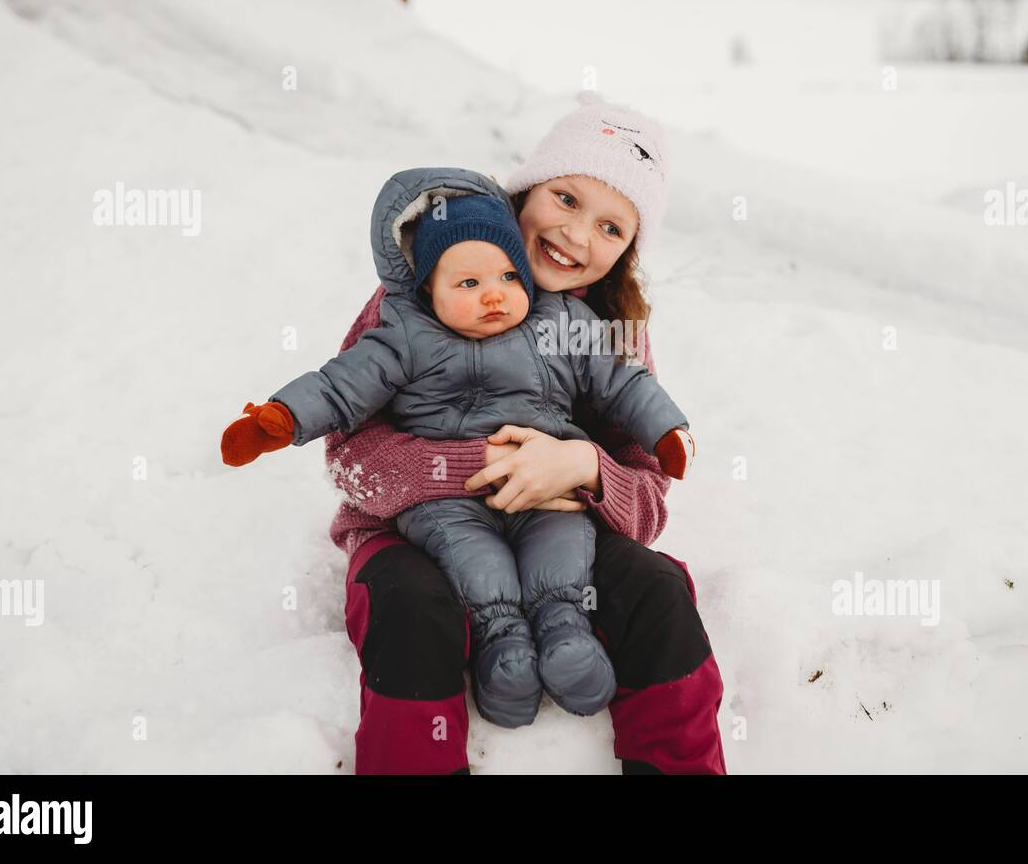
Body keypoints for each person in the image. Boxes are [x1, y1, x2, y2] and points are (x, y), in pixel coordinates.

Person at [327, 91, 727, 773]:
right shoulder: (430, 284)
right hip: (417, 538)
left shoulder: (613, 327)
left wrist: (583, 468)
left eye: (611, 227)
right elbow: (350, 456)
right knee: (411, 610)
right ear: (525, 187)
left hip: (559, 551)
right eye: (566, 199)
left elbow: (651, 495)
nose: (577, 235)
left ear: (630, 249)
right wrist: (472, 467)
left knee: (658, 591)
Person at [221, 188, 696, 729]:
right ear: (430, 288)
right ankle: (504, 647)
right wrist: (278, 419)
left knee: (574, 557)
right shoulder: (405, 327)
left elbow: (624, 385)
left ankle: (566, 634)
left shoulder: (572, 320)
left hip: (548, 502)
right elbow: (341, 389)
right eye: (470, 284)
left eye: (507, 279)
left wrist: (645, 442)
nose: (493, 296)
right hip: (441, 507)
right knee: (463, 576)